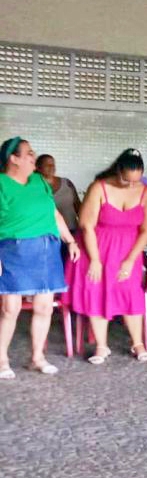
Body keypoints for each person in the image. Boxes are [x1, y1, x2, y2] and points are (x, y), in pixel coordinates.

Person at [0, 137, 81, 378]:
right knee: (10, 308)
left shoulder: (38, 181)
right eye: (28, 153)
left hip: (46, 250)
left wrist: (70, 240)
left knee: (44, 307)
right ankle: (2, 360)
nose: (33, 156)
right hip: (13, 250)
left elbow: (54, 213)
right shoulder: (1, 184)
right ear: (13, 159)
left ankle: (37, 358)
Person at [66, 149, 147, 364]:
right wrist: (95, 260)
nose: (130, 185)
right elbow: (86, 225)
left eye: (136, 181)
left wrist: (131, 259)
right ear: (118, 171)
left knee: (130, 291)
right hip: (95, 248)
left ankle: (138, 343)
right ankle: (101, 346)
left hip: (128, 250)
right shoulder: (99, 187)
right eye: (126, 180)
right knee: (96, 291)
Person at [35, 154, 81, 235]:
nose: (51, 167)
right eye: (47, 165)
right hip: (49, 234)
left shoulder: (66, 183)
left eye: (53, 164)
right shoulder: (34, 187)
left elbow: (78, 205)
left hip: (72, 230)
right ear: (38, 168)